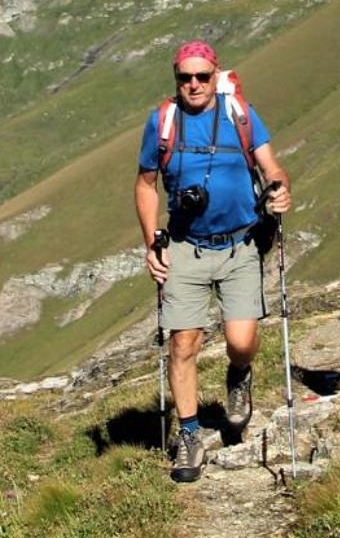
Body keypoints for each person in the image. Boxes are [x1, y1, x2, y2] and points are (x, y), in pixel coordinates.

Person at [134, 40, 291, 484]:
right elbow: (146, 184)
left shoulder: (240, 114)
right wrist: (152, 242)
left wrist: (280, 189)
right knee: (182, 343)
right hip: (184, 247)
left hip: (241, 245)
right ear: (176, 80)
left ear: (215, 75)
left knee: (241, 341)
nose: (194, 85)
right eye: (185, 78)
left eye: (202, 76)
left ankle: (239, 375)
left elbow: (271, 166)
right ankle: (188, 434)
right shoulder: (163, 122)